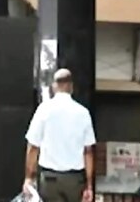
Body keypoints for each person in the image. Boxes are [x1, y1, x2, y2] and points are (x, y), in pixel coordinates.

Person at [23, 69, 96, 202]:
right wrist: (89, 185)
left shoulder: (44, 110)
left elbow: (33, 147)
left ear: (54, 86)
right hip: (75, 181)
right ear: (71, 87)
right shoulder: (83, 113)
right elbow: (88, 152)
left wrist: (28, 177)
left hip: (49, 179)